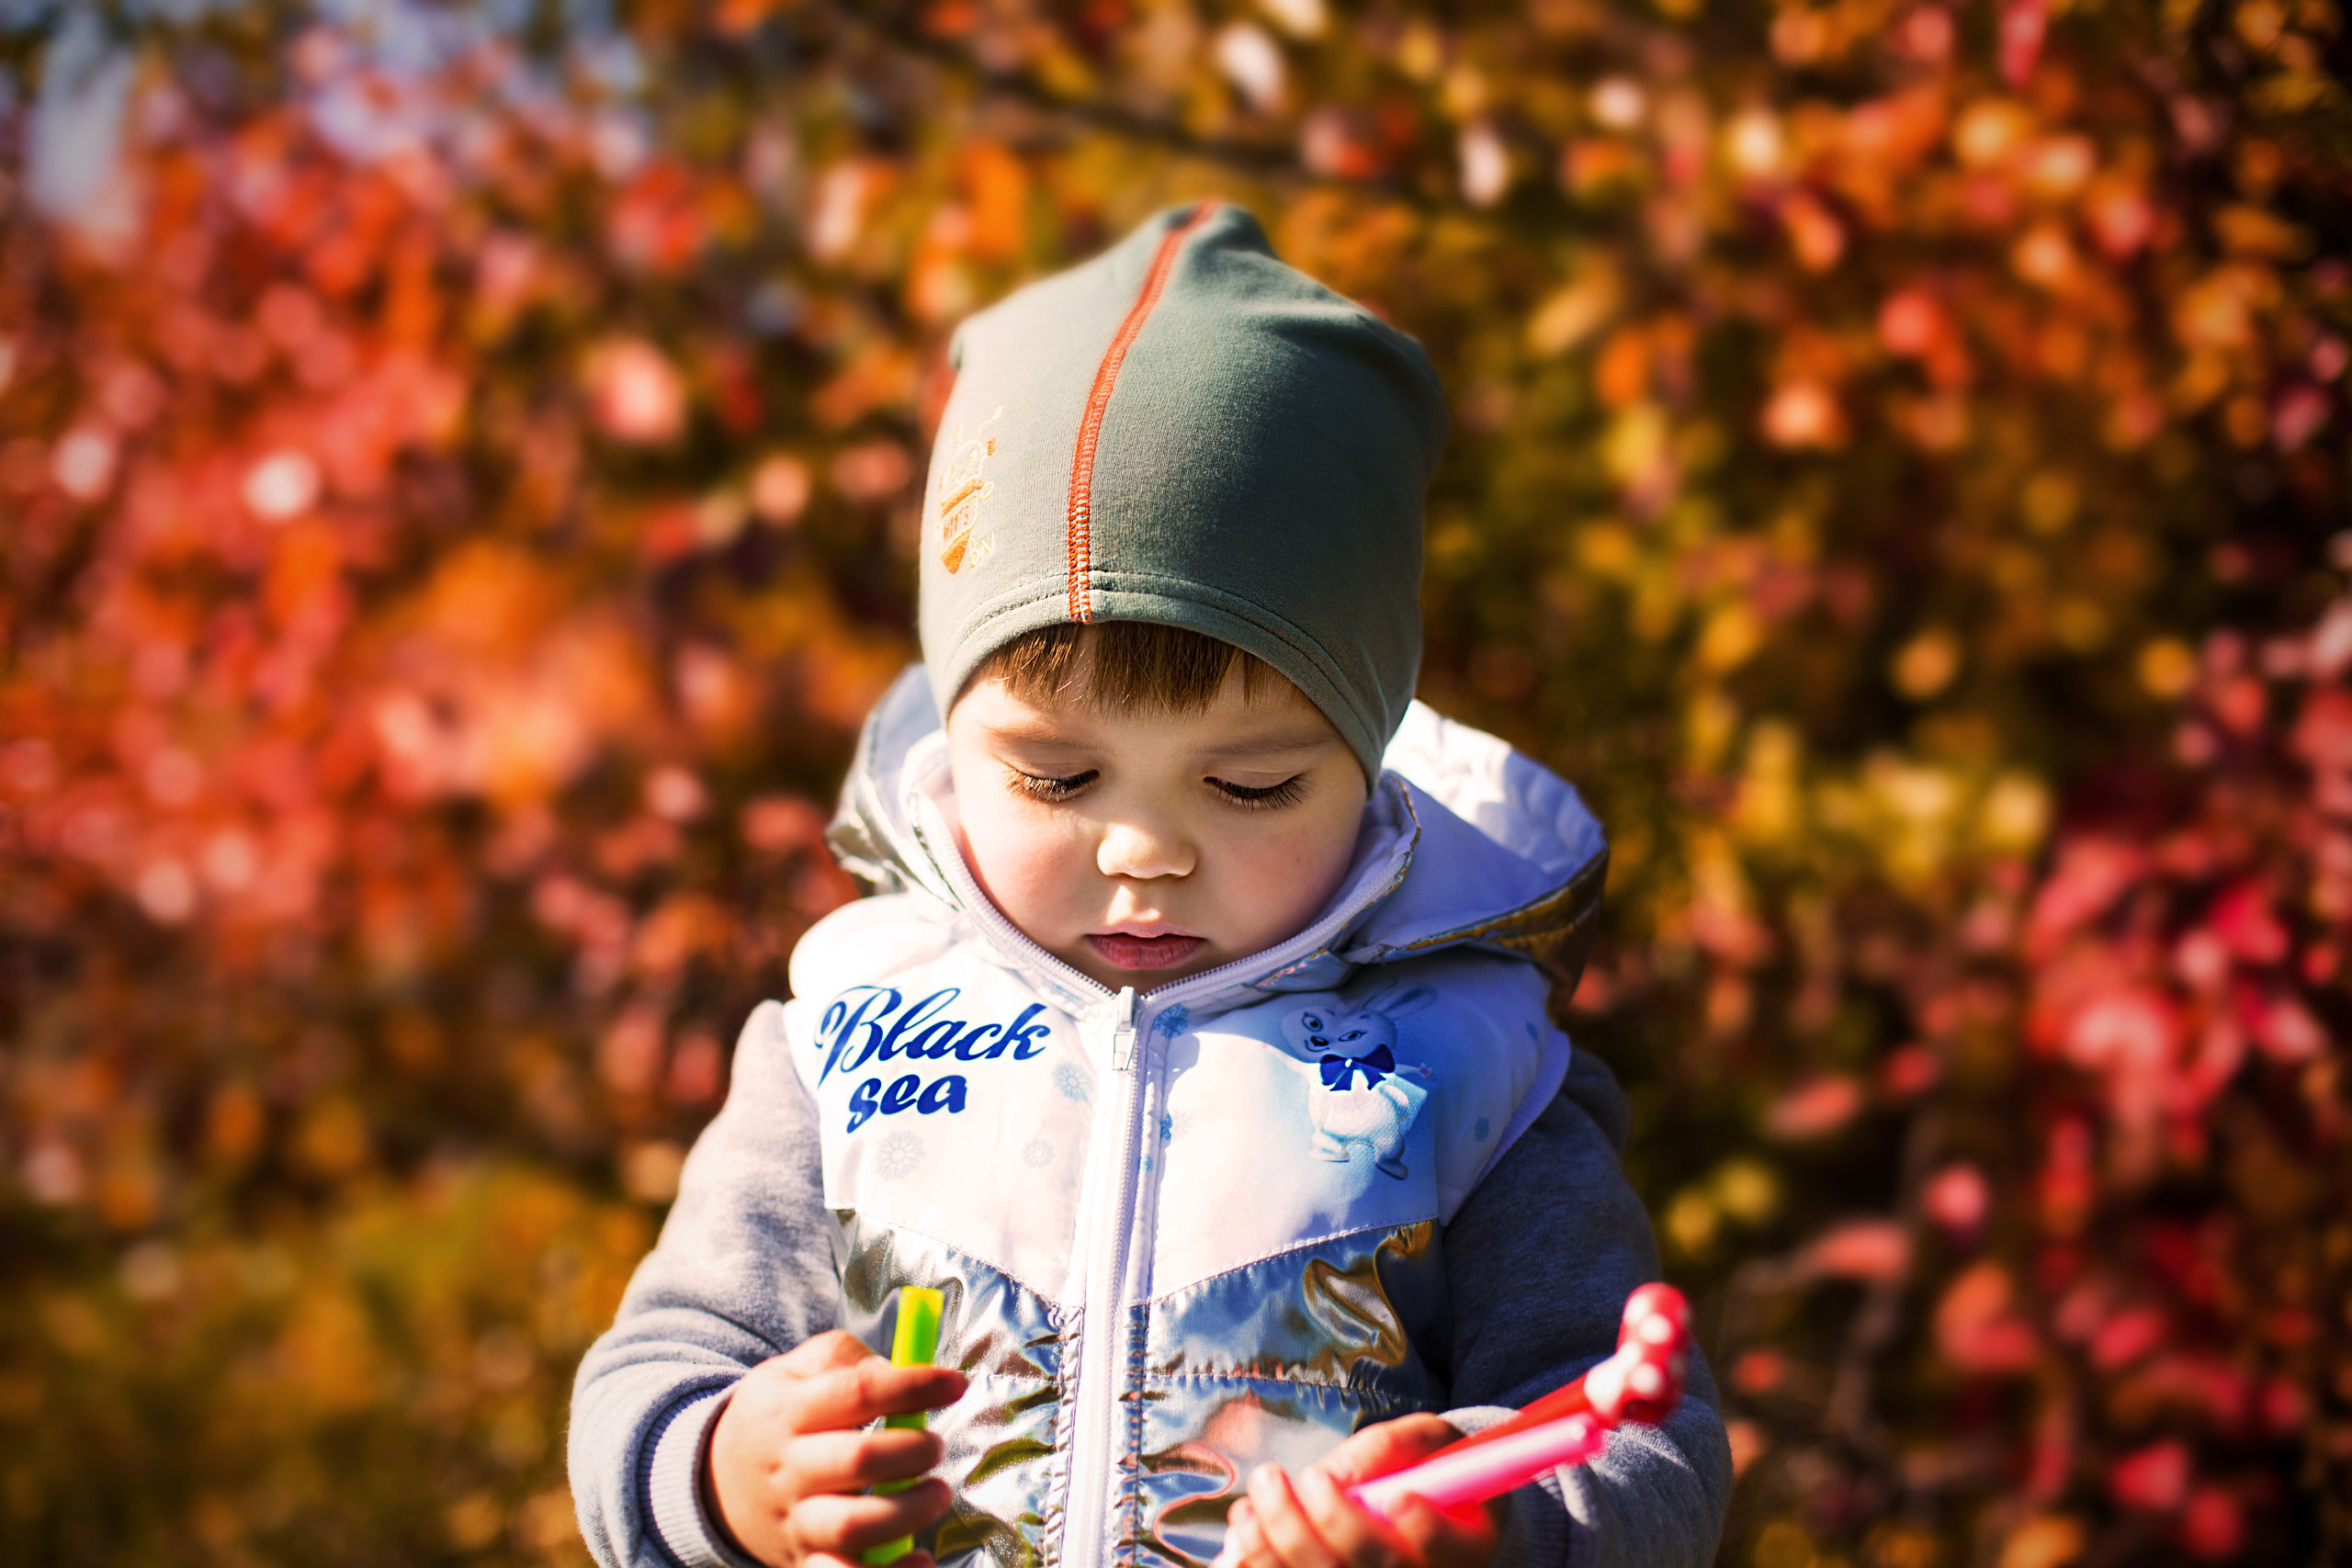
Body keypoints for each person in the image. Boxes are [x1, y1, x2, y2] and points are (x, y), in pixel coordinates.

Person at [571, 202, 1731, 1568]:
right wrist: (719, 1469)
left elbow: (1640, 1443)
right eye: (1058, 780)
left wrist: (1489, 1532)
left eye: (1248, 787)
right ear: (956, 743)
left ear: (1369, 758)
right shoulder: (841, 1047)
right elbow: (657, 1369)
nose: (1144, 851)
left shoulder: (1474, 1075)